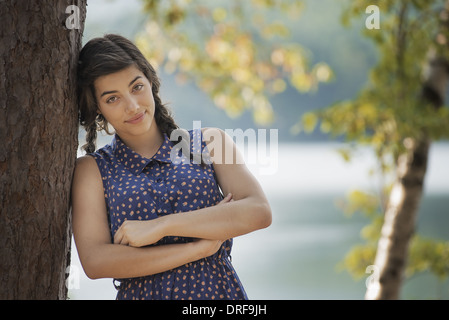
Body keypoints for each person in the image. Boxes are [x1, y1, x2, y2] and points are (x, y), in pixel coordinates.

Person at [71, 34, 272, 300]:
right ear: (97, 108)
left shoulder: (211, 142)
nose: (132, 106)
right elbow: (96, 262)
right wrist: (199, 249)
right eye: (112, 99)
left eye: (136, 87)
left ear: (150, 81)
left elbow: (258, 211)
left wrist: (162, 226)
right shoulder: (92, 170)